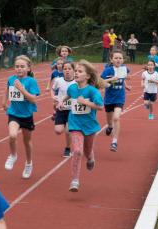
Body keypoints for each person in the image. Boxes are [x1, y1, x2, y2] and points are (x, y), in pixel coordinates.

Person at [65, 60, 104, 192]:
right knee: (77, 151)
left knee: (87, 151)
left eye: (80, 71)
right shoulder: (72, 88)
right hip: (75, 124)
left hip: (89, 126)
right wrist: (60, 102)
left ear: (87, 76)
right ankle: (74, 180)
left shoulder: (92, 91)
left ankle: (91, 157)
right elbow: (68, 95)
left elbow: (100, 106)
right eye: (76, 71)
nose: (76, 73)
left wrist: (85, 103)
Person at [2, 55, 40, 179]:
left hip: (27, 115)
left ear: (28, 68)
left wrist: (22, 89)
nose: (19, 69)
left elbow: (33, 99)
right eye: (17, 66)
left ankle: (29, 163)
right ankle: (13, 155)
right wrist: (4, 102)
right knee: (12, 135)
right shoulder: (11, 79)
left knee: (27, 141)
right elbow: (7, 90)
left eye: (22, 66)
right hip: (13, 113)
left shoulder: (31, 81)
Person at [101, 50, 131, 152]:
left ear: (123, 60)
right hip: (109, 98)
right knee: (110, 121)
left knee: (116, 118)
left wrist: (126, 85)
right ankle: (109, 127)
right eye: (116, 58)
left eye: (120, 58)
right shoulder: (107, 71)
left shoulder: (125, 69)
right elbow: (100, 82)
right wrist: (111, 79)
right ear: (111, 59)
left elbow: (125, 78)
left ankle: (114, 142)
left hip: (119, 97)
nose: (118, 60)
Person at [51, 61, 76, 157]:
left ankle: (68, 148)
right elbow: (53, 89)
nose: (67, 71)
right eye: (65, 69)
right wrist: (54, 97)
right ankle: (67, 126)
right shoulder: (59, 80)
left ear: (74, 70)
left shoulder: (76, 82)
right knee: (58, 131)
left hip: (72, 110)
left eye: (69, 69)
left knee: (68, 131)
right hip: (61, 109)